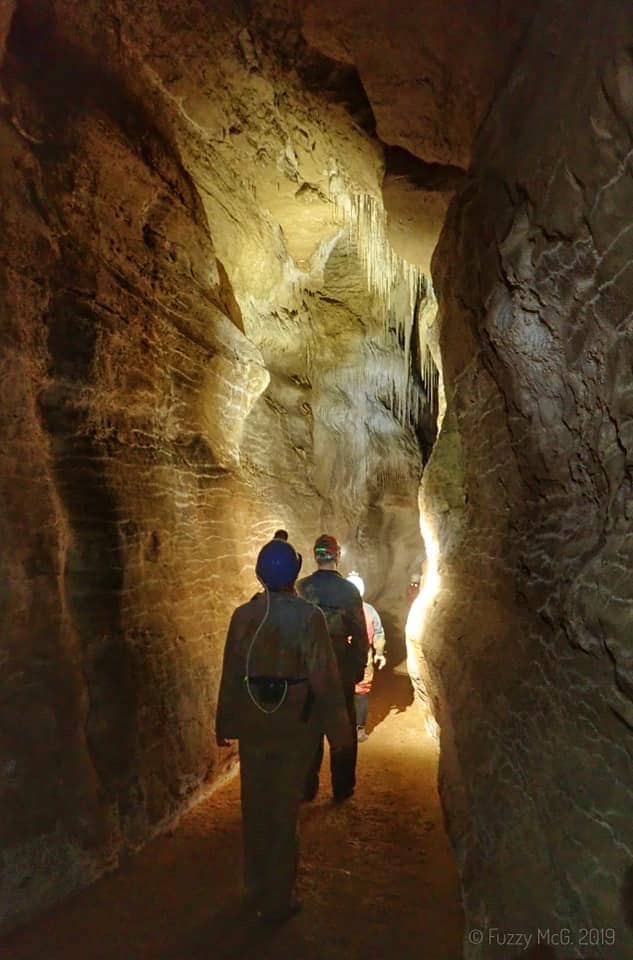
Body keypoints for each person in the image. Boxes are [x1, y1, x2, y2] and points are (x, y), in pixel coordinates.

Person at [215, 538, 351, 923]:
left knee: (255, 805)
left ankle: (256, 883)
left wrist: (225, 722)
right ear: (293, 572)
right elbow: (324, 678)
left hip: (256, 725)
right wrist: (339, 732)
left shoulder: (243, 617)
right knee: (283, 809)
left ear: (260, 573)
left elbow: (231, 673)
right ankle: (278, 896)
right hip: (296, 727)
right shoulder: (309, 618)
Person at [296, 534, 369, 802]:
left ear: (316, 555)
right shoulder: (349, 592)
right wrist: (357, 668)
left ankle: (306, 785)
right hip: (339, 666)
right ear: (337, 556)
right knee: (343, 729)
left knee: (308, 726)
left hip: (307, 667)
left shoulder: (302, 588)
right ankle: (342, 787)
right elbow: (360, 635)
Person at [346, 572, 386, 742]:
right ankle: (359, 730)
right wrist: (378, 654)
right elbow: (378, 634)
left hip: (342, 656)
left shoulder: (338, 610)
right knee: (360, 693)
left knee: (343, 692)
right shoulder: (369, 610)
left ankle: (343, 728)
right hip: (364, 656)